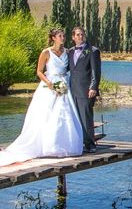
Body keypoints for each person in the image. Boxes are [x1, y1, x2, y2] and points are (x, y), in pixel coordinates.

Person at [0, 29, 84, 167]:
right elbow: (39, 71)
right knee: (46, 114)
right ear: (53, 38)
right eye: (60, 36)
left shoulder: (67, 52)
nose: (63, 38)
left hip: (64, 84)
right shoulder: (46, 52)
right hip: (49, 85)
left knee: (65, 114)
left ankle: (66, 146)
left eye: (63, 36)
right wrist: (49, 83)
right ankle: (47, 145)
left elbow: (71, 68)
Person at [69, 26, 101, 153]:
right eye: (77, 35)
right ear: (73, 37)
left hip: (86, 90)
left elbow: (96, 71)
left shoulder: (93, 51)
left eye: (82, 34)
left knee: (86, 118)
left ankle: (90, 145)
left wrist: (93, 87)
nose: (80, 37)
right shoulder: (70, 51)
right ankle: (78, 143)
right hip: (72, 90)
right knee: (74, 118)